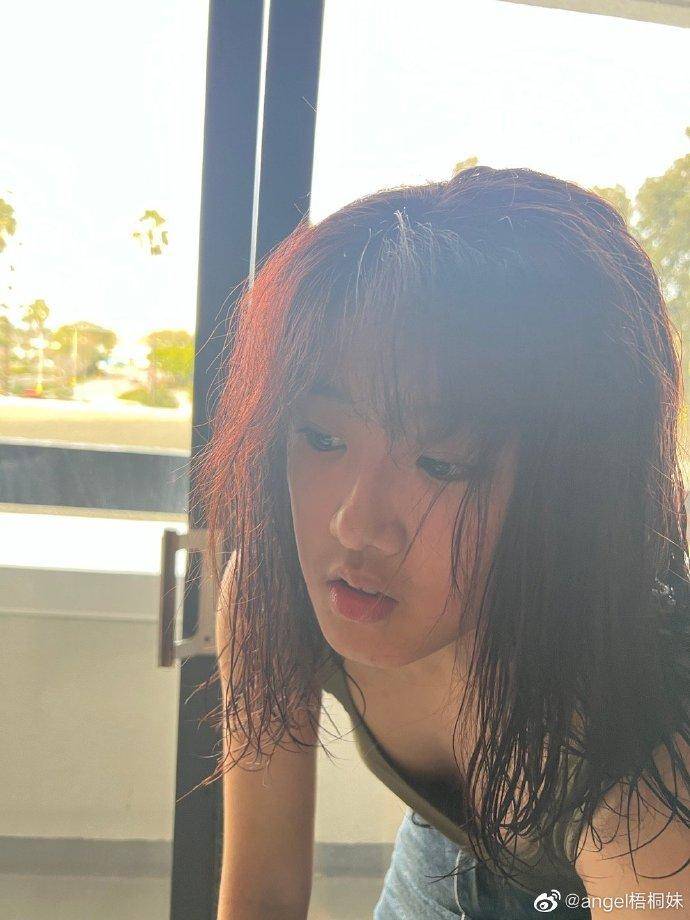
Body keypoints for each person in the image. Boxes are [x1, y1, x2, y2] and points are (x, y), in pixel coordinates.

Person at [198, 166, 690, 919]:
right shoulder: (273, 586)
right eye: (323, 436)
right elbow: (260, 897)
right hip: (447, 847)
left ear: (569, 493)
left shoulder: (638, 758)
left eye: (441, 463)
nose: (354, 526)